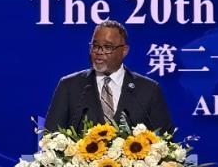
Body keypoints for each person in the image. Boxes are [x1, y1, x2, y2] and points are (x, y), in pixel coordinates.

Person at [44, 20, 174, 134]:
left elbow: (165, 142)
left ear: (124, 51)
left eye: (107, 47)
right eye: (95, 46)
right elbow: (51, 137)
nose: (99, 52)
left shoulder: (148, 89)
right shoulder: (69, 86)